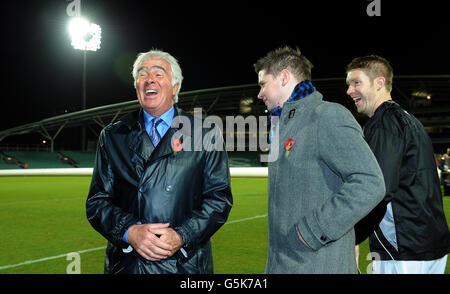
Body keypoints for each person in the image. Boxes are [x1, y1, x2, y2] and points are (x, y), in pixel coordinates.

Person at [86, 49, 233, 274]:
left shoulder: (205, 133)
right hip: (128, 266)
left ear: (175, 87)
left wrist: (182, 235)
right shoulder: (112, 136)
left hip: (185, 266)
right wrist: (130, 231)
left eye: (158, 73)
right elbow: (97, 202)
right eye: (142, 75)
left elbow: (219, 199)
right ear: (136, 87)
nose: (149, 80)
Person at [254, 46, 386, 274]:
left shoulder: (327, 116)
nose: (259, 94)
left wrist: (315, 230)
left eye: (262, 84)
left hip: (317, 265)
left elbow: (370, 182)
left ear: (284, 77)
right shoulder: (282, 127)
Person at [346, 55, 450, 274]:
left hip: (404, 248)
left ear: (379, 83)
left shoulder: (384, 124)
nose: (349, 90)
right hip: (430, 246)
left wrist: (352, 237)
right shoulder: (408, 120)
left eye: (356, 83)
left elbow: (378, 189)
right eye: (349, 84)